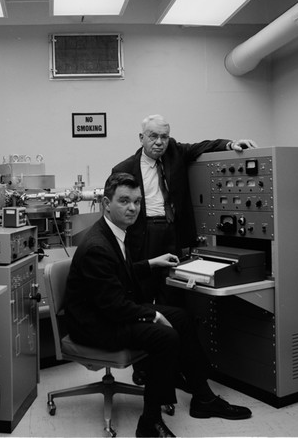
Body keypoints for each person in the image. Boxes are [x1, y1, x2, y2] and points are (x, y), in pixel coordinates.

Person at [64, 172, 252, 438]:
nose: (132, 208)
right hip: (95, 324)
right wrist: (150, 315)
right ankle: (149, 423)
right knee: (164, 335)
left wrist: (151, 264)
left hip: (106, 311)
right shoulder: (98, 245)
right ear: (107, 203)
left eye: (137, 202)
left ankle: (203, 398)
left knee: (181, 318)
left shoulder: (114, 231)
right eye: (124, 201)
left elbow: (117, 274)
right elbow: (114, 306)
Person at [112, 114, 257, 304]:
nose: (159, 142)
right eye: (153, 136)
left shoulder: (175, 152)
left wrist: (231, 144)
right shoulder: (125, 169)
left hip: (173, 232)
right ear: (141, 138)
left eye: (164, 137)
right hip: (144, 234)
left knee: (174, 289)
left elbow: (203, 146)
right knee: (144, 290)